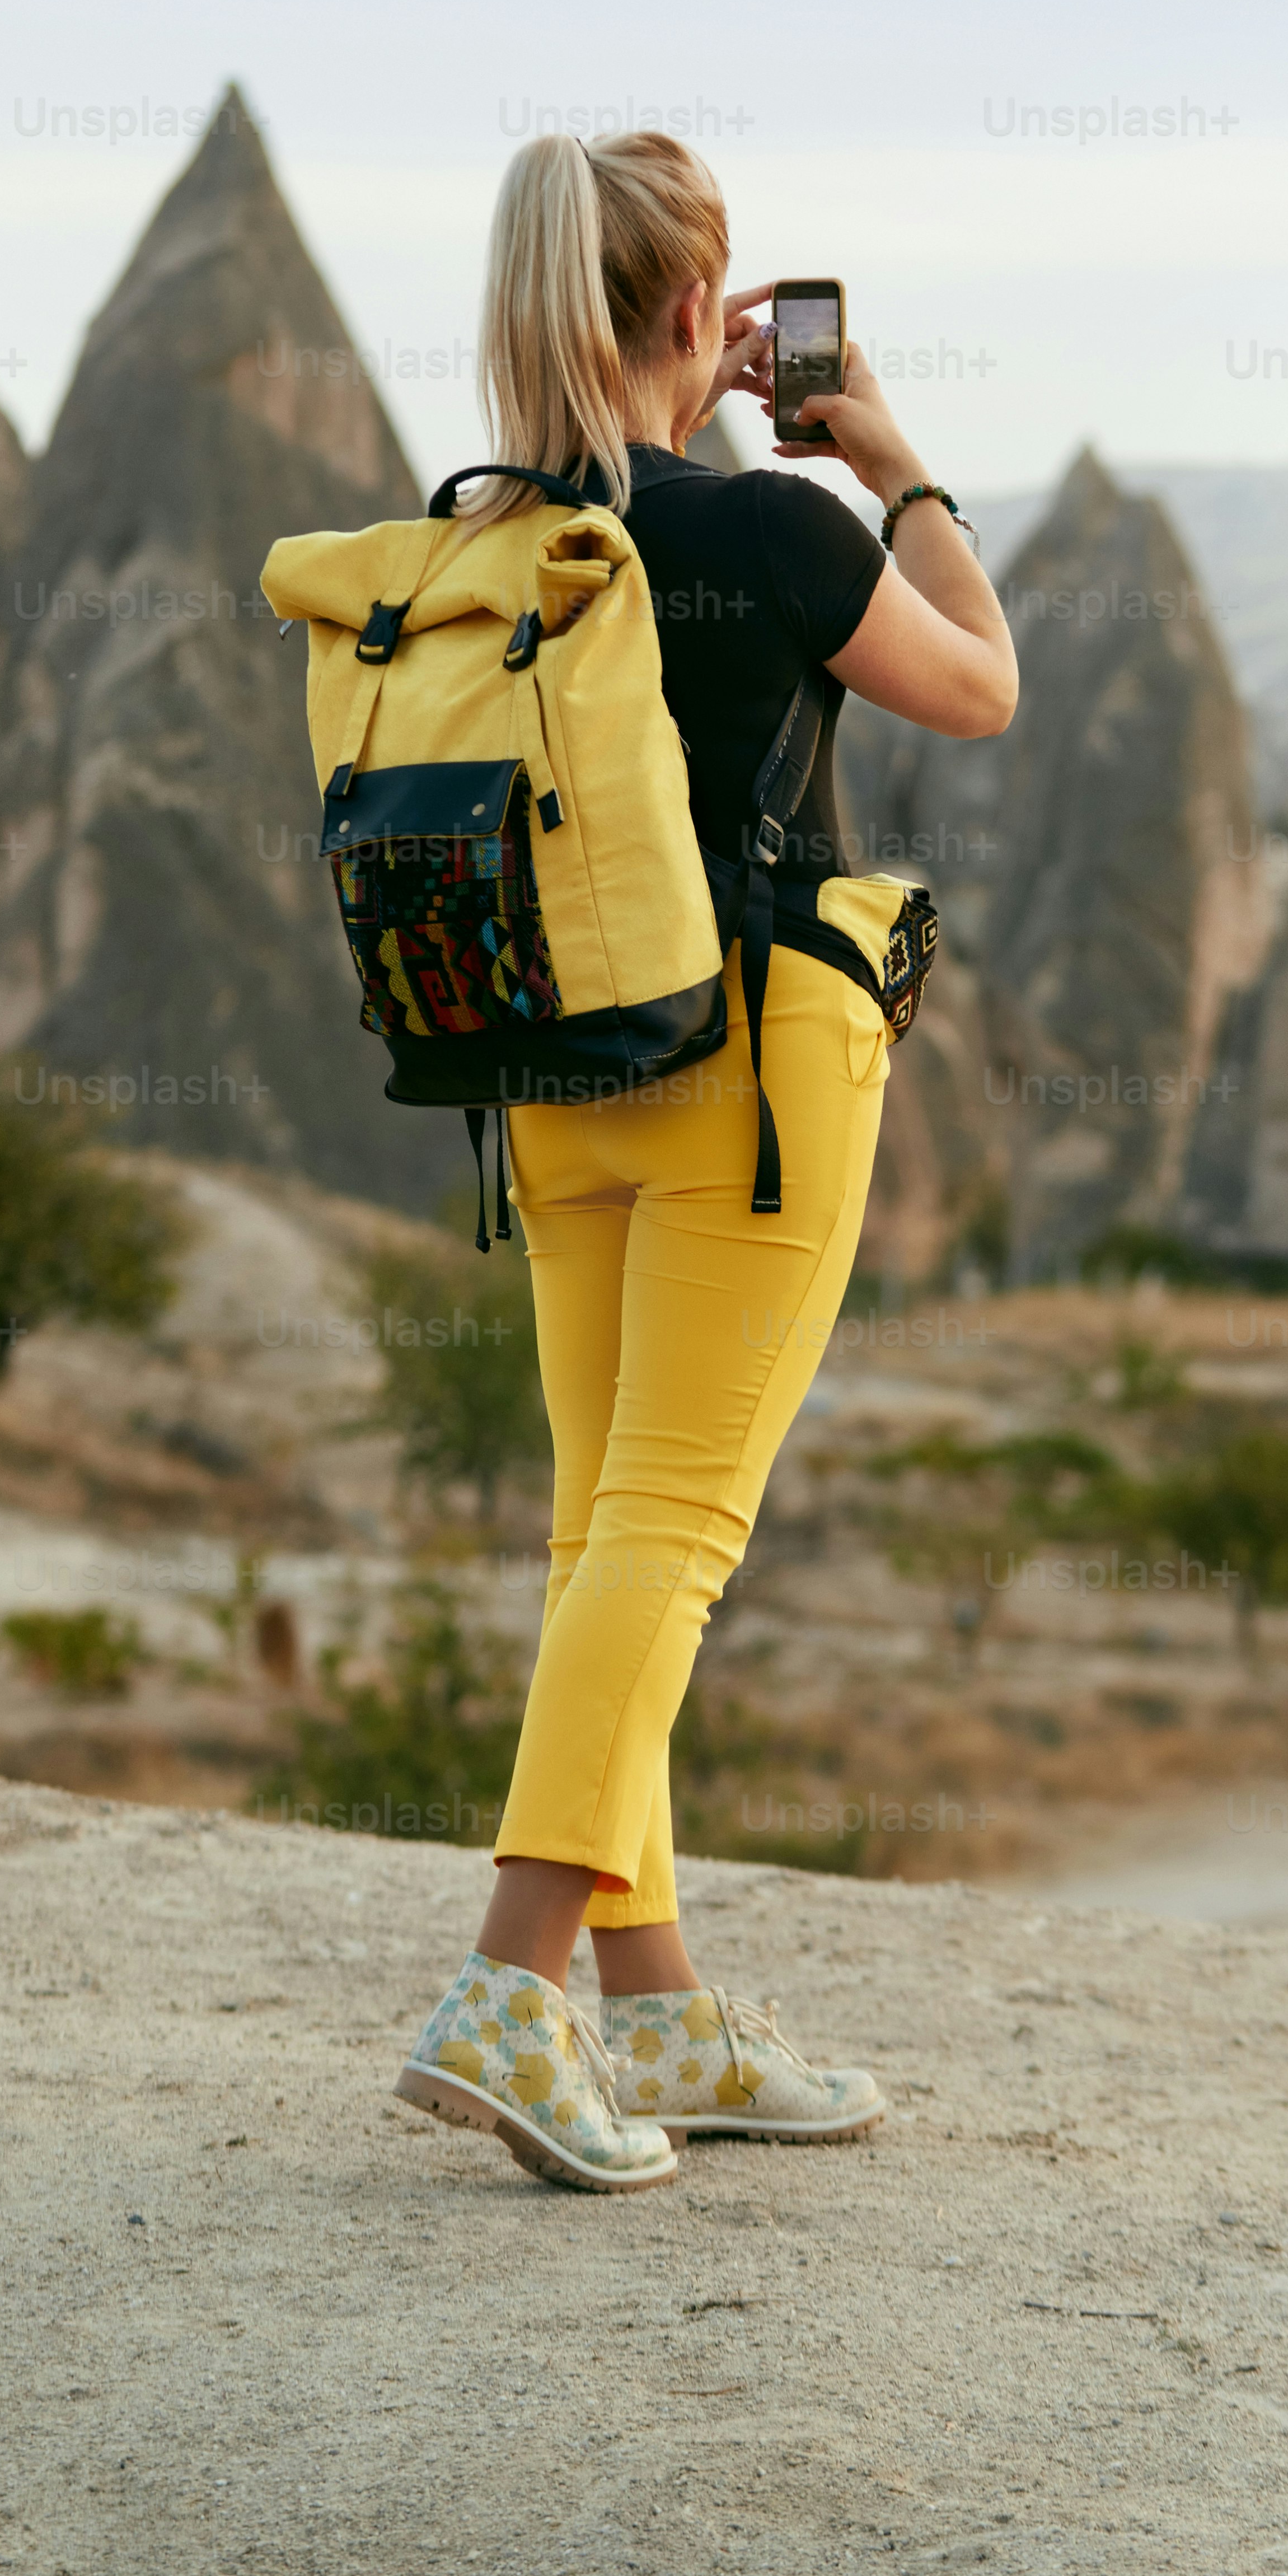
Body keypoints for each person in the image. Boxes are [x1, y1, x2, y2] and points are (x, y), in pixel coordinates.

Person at [392, 132, 1018, 2192]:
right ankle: (509, 1989)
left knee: (597, 1542)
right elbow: (982, 684)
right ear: (700, 317)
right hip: (751, 1072)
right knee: (670, 1535)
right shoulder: (769, 530)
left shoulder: (484, 539)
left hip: (547, 1077)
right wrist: (880, 454)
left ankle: (654, 2014)